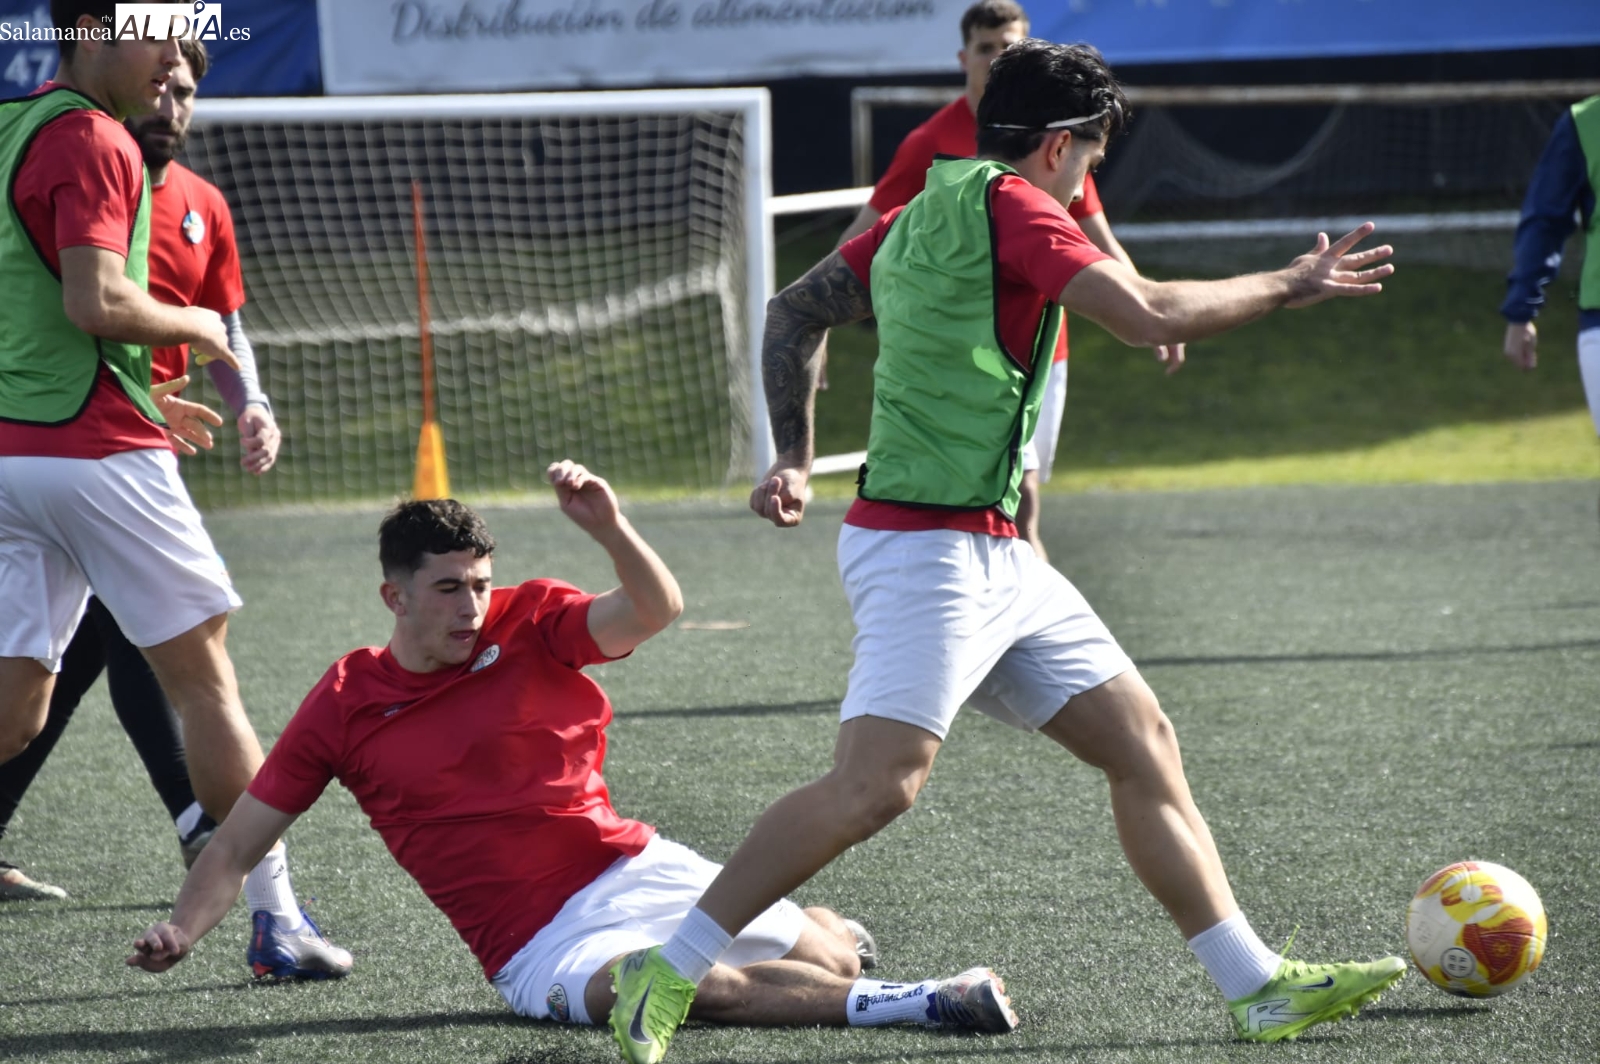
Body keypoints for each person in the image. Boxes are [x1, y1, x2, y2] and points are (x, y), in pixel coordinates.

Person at [609, 41, 1406, 1064]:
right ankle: (668, 966)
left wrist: (797, 455)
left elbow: (794, 308)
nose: (1085, 184)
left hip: (992, 550)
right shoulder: (1019, 207)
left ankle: (1252, 985)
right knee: (874, 785)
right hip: (926, 550)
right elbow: (1147, 311)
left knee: (1141, 741)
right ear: (1058, 145)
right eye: (1087, 162)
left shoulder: (915, 216)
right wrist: (1289, 284)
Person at [127, 462, 1020, 1039]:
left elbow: (653, 610)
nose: (470, 607)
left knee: (827, 959)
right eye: (446, 590)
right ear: (393, 598)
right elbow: (239, 842)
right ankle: (923, 1002)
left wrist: (609, 529)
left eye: (478, 584)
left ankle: (820, 932)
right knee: (677, 990)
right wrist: (183, 927)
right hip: (535, 945)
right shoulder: (346, 700)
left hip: (632, 868)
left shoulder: (531, 621)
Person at [0, 1, 346, 979]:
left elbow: (42, 312)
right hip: (93, 455)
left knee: (17, 710)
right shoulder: (98, 141)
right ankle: (276, 921)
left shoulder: (9, 122)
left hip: (17, 454)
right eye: (153, 34)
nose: (171, 61)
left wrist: (148, 395)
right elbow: (96, 300)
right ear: (87, 30)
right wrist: (195, 331)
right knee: (205, 683)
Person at [832, 0, 1185, 559]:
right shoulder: (932, 142)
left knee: (1026, 509)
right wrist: (821, 319)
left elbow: (1097, 235)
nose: (998, 59)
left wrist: (1142, 301)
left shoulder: (1056, 141)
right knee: (997, 504)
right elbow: (866, 231)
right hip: (967, 350)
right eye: (986, 49)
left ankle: (1024, 624)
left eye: (1011, 48)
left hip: (1045, 346)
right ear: (963, 57)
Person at [1501, 94, 1600, 488]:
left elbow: (1545, 221)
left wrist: (1521, 312)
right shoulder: (1584, 121)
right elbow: (1546, 222)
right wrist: (1521, 309)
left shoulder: (1586, 120)